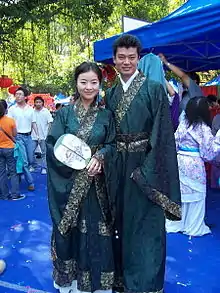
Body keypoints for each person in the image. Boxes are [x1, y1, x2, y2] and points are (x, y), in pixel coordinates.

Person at [106, 34, 181, 293]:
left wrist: (147, 172)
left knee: (147, 225)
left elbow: (162, 134)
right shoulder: (110, 93)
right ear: (114, 60)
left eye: (131, 57)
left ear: (139, 59)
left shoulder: (153, 89)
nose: (126, 62)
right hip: (116, 166)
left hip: (144, 168)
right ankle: (123, 278)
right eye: (121, 57)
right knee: (120, 222)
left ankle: (146, 282)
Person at [46, 62, 116, 293]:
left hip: (97, 186)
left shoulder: (106, 115)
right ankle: (71, 280)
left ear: (100, 84)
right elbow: (52, 146)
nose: (88, 87)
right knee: (70, 230)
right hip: (69, 184)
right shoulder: (64, 114)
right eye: (83, 82)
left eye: (94, 82)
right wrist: (73, 164)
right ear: (76, 83)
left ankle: (97, 281)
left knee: (97, 230)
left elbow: (112, 143)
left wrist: (102, 157)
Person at [166, 96, 220, 236]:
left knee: (180, 195)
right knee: (196, 196)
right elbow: (209, 153)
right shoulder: (203, 128)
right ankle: (193, 227)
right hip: (194, 163)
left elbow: (174, 142)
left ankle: (176, 223)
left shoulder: (183, 124)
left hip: (180, 162)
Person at [8, 87, 37, 191]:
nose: (18, 96)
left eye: (20, 94)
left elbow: (33, 123)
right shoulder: (12, 109)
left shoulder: (30, 109)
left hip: (29, 137)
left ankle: (19, 175)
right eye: (16, 94)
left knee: (30, 160)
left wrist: (37, 136)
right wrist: (12, 137)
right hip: (17, 137)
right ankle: (31, 182)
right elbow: (9, 125)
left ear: (25, 97)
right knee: (24, 161)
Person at [0, 101, 25, 200]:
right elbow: (14, 134)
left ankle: (4, 195)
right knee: (13, 172)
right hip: (9, 148)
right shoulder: (10, 121)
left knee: (1, 173)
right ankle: (15, 194)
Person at [32, 96, 53, 174]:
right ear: (34, 103)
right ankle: (33, 166)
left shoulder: (46, 111)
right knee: (31, 152)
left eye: (39, 102)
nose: (38, 104)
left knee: (44, 153)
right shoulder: (32, 111)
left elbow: (50, 122)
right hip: (33, 136)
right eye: (36, 102)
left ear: (42, 103)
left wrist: (48, 133)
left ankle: (44, 167)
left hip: (44, 136)